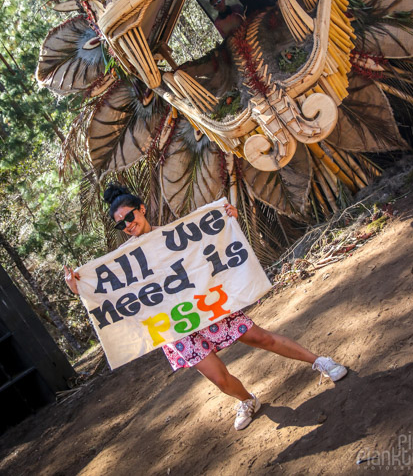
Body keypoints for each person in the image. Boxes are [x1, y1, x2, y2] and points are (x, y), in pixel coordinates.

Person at [64, 183, 348, 431]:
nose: (127, 224)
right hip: (176, 328)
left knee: (261, 338)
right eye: (120, 223)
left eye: (129, 216)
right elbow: (112, 294)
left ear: (142, 209)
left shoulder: (177, 235)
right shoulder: (120, 263)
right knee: (220, 380)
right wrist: (80, 286)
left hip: (206, 307)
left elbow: (210, 248)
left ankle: (320, 362)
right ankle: (248, 401)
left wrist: (227, 220)